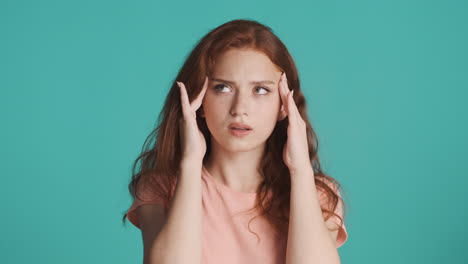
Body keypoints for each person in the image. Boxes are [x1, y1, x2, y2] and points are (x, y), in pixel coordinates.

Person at [122, 19, 348, 264]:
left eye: (260, 90)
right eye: (223, 88)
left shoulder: (317, 194)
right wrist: (190, 164)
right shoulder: (160, 189)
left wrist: (301, 170)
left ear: (284, 105)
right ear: (199, 101)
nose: (240, 109)